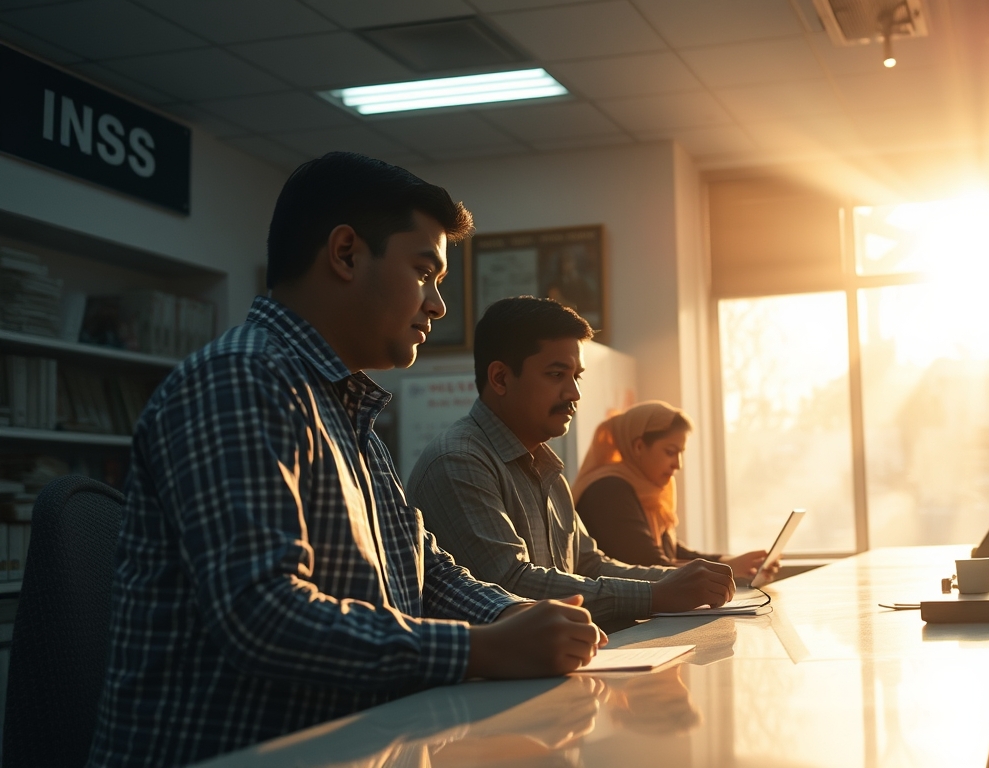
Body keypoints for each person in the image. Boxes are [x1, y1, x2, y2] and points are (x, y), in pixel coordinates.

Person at [87, 153, 605, 768]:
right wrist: (481, 649)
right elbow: (264, 614)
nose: (438, 306)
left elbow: (426, 571)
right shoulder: (242, 379)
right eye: (425, 273)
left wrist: (519, 618)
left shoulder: (344, 407)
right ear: (346, 254)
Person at [406, 297, 735, 627]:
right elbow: (513, 584)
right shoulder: (459, 461)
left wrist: (681, 581)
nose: (574, 393)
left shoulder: (545, 467)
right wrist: (657, 594)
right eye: (556, 374)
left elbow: (589, 564)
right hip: (496, 677)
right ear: (501, 379)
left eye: (577, 376)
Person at [572, 400, 775, 582]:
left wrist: (730, 561)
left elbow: (671, 549)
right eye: (670, 452)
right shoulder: (608, 490)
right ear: (639, 446)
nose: (678, 464)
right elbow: (649, 565)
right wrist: (727, 568)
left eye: (681, 453)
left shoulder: (646, 489)